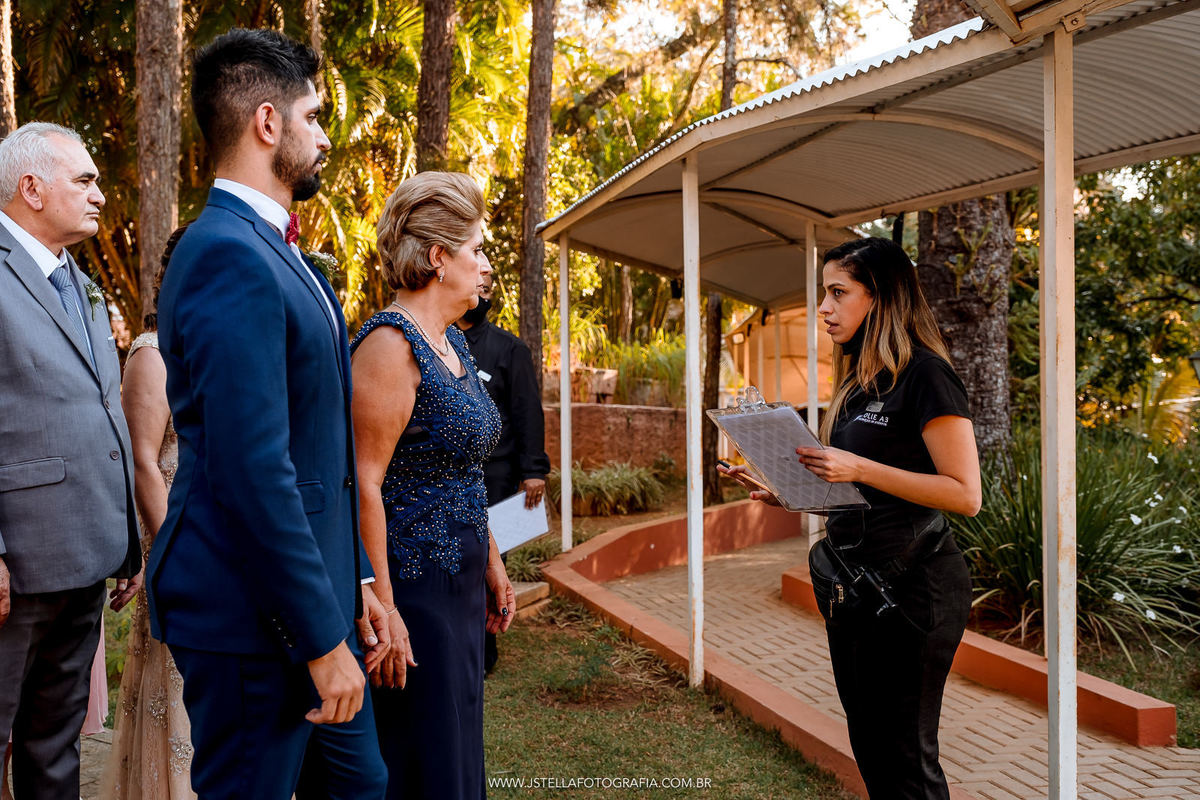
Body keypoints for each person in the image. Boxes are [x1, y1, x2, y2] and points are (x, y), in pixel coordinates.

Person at [144, 29, 388, 800]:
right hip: (252, 618)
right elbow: (254, 469)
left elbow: (320, 449)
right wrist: (320, 639)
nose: (323, 137)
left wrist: (354, 581)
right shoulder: (226, 253)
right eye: (314, 117)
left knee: (360, 784)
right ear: (267, 123)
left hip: (312, 594)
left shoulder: (272, 248)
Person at [721, 237, 981, 800]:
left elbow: (964, 494)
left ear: (881, 297)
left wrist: (856, 464)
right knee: (871, 747)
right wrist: (788, 492)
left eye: (838, 293)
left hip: (916, 590)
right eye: (823, 293)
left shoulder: (928, 376)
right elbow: (859, 492)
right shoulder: (861, 385)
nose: (823, 308)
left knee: (908, 759)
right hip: (856, 588)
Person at [350, 171, 517, 800]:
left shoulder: (451, 344)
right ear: (439, 257)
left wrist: (494, 560)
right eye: (477, 250)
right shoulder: (391, 344)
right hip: (413, 583)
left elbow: (466, 468)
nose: (486, 265)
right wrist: (386, 606)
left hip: (463, 579)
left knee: (458, 739)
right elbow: (364, 482)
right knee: (423, 750)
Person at [0, 121, 142, 800]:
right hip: (16, 566)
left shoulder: (79, 282)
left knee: (54, 743)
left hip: (86, 555)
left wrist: (129, 541)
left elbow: (104, 415)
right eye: (83, 180)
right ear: (31, 188)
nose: (99, 195)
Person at [101, 225, 195, 800]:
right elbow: (141, 464)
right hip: (179, 550)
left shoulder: (203, 353)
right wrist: (177, 557)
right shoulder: (152, 353)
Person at [454, 271, 550, 673]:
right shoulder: (432, 341)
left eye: (489, 288)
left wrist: (534, 471)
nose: (484, 290)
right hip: (446, 475)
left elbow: (528, 412)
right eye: (480, 283)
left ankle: (484, 649)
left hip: (496, 476)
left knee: (489, 563)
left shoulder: (509, 349)